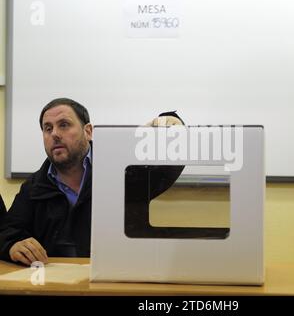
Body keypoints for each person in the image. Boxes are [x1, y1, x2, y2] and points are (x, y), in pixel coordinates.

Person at [0, 98, 183, 265]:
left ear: (88, 131)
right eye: (48, 128)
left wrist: (172, 123)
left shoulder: (120, 173)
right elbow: (8, 231)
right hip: (53, 283)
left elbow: (168, 167)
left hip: (113, 278)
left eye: (64, 125)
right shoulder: (34, 187)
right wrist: (12, 245)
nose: (54, 134)